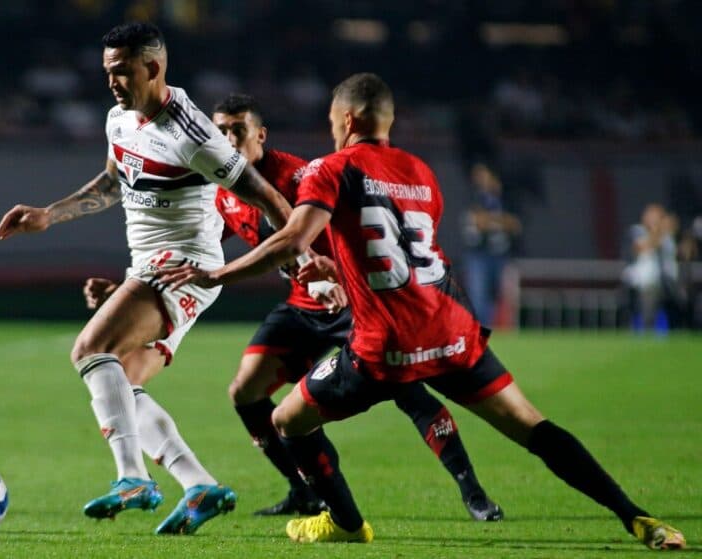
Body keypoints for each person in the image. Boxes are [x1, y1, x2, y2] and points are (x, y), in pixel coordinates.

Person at [157, 73, 686, 550]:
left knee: (288, 419)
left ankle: (344, 523)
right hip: (451, 330)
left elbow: (295, 236)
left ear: (345, 120)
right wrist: (332, 272)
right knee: (533, 426)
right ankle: (639, 519)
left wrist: (217, 274)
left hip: (384, 342)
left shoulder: (328, 168)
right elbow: (401, 250)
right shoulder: (420, 172)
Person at [87, 93, 502, 521]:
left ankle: (472, 490)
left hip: (353, 303)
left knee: (406, 390)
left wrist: (334, 276)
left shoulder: (297, 177)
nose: (227, 139)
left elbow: (345, 229)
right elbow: (199, 249)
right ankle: (303, 491)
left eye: (238, 130)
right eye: (220, 130)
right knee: (246, 390)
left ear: (260, 135)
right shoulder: (222, 189)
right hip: (303, 308)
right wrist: (126, 290)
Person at [0, 22, 292, 535]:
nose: (111, 81)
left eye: (121, 71)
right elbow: (114, 181)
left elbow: (268, 197)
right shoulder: (120, 119)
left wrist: (296, 257)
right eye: (107, 71)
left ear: (153, 68)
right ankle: (198, 485)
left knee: (89, 349)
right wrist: (49, 214)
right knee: (121, 383)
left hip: (182, 266)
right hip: (149, 267)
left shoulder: (193, 134)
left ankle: (131, 477)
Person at [461, 162, 522, 327]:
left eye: (483, 175)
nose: (480, 179)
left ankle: (503, 330)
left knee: (505, 298)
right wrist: (501, 221)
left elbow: (515, 224)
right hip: (478, 254)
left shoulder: (508, 198)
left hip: (502, 254)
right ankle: (481, 333)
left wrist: (491, 220)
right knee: (478, 296)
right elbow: (478, 222)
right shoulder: (473, 196)